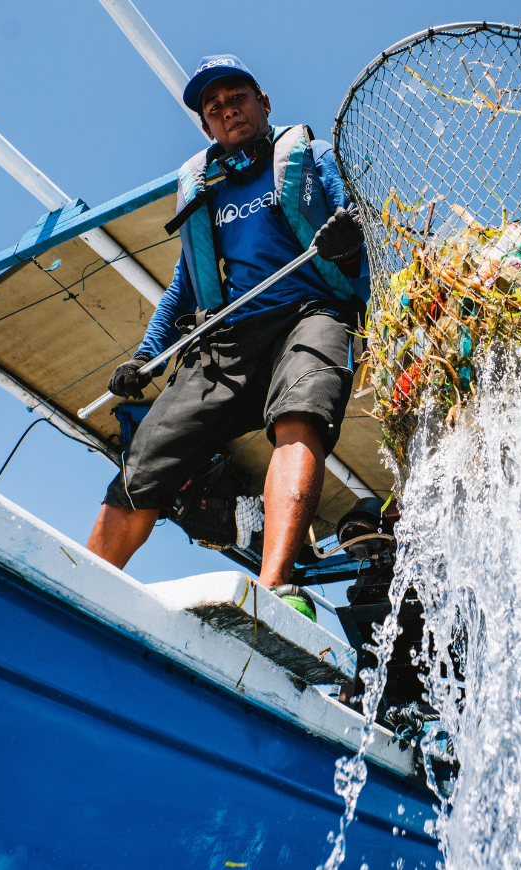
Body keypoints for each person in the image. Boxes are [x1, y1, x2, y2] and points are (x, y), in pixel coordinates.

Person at [86, 55, 367, 618]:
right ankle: (80, 587)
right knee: (147, 457)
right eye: (213, 108)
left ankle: (274, 590)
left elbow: (360, 220)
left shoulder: (312, 158)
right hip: (229, 334)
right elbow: (182, 286)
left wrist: (348, 237)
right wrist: (146, 355)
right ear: (206, 127)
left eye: (236, 96)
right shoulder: (202, 188)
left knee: (302, 412)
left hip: (310, 312)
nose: (227, 110)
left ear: (263, 103)